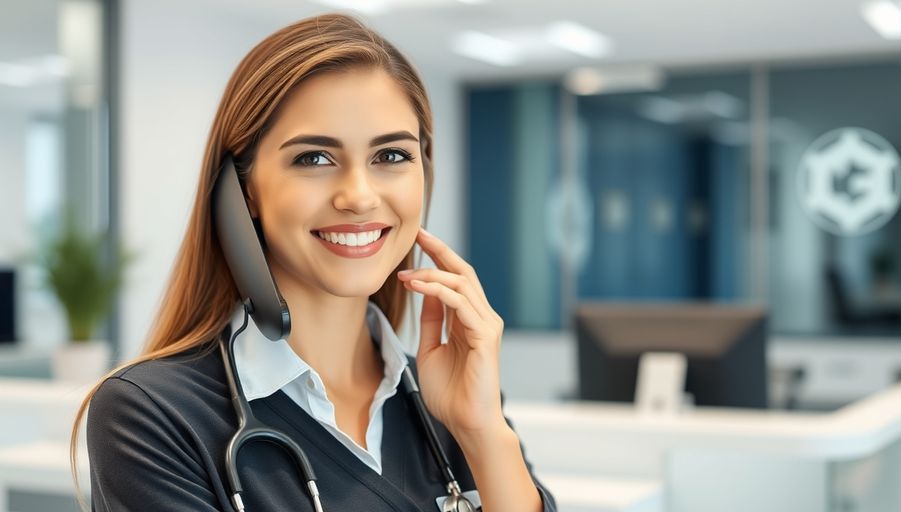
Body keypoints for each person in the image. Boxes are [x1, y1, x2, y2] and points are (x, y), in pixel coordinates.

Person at [71, 13, 556, 512]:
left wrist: (483, 434)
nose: (359, 197)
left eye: (391, 156)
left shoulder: (454, 401)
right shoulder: (155, 415)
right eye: (314, 159)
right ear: (242, 192)